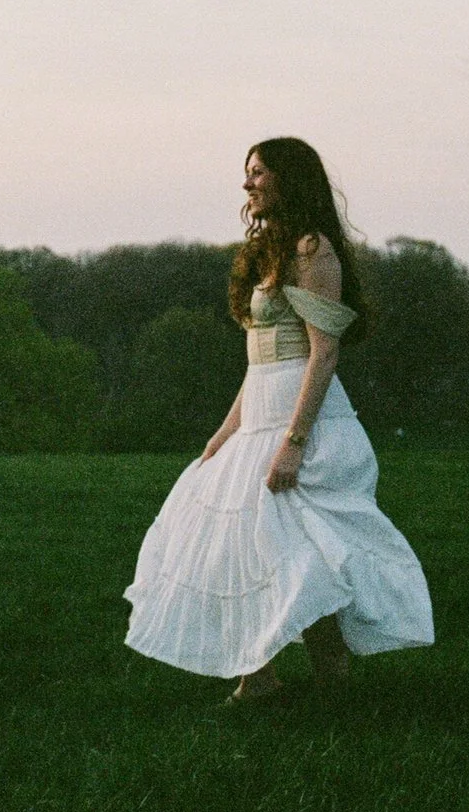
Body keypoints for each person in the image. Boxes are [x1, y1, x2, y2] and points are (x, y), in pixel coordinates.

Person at [123, 138, 433, 702]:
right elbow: (259, 359)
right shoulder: (268, 250)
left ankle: (326, 681)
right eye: (247, 173)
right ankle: (258, 676)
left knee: (303, 553)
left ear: (288, 179)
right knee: (243, 545)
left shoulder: (312, 250)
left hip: (301, 415)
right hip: (260, 410)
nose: (248, 184)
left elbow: (324, 351)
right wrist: (225, 432)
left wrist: (294, 440)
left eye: (259, 172)